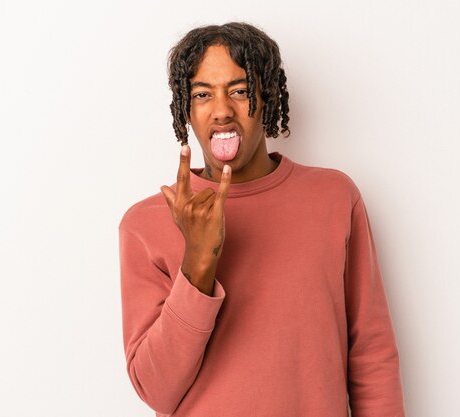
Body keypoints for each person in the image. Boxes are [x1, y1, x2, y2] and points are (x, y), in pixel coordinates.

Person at [119, 22, 405, 417]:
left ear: (266, 98)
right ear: (186, 108)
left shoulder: (334, 198)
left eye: (239, 90)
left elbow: (371, 355)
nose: (221, 111)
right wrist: (198, 264)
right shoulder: (144, 224)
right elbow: (156, 389)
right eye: (202, 94)